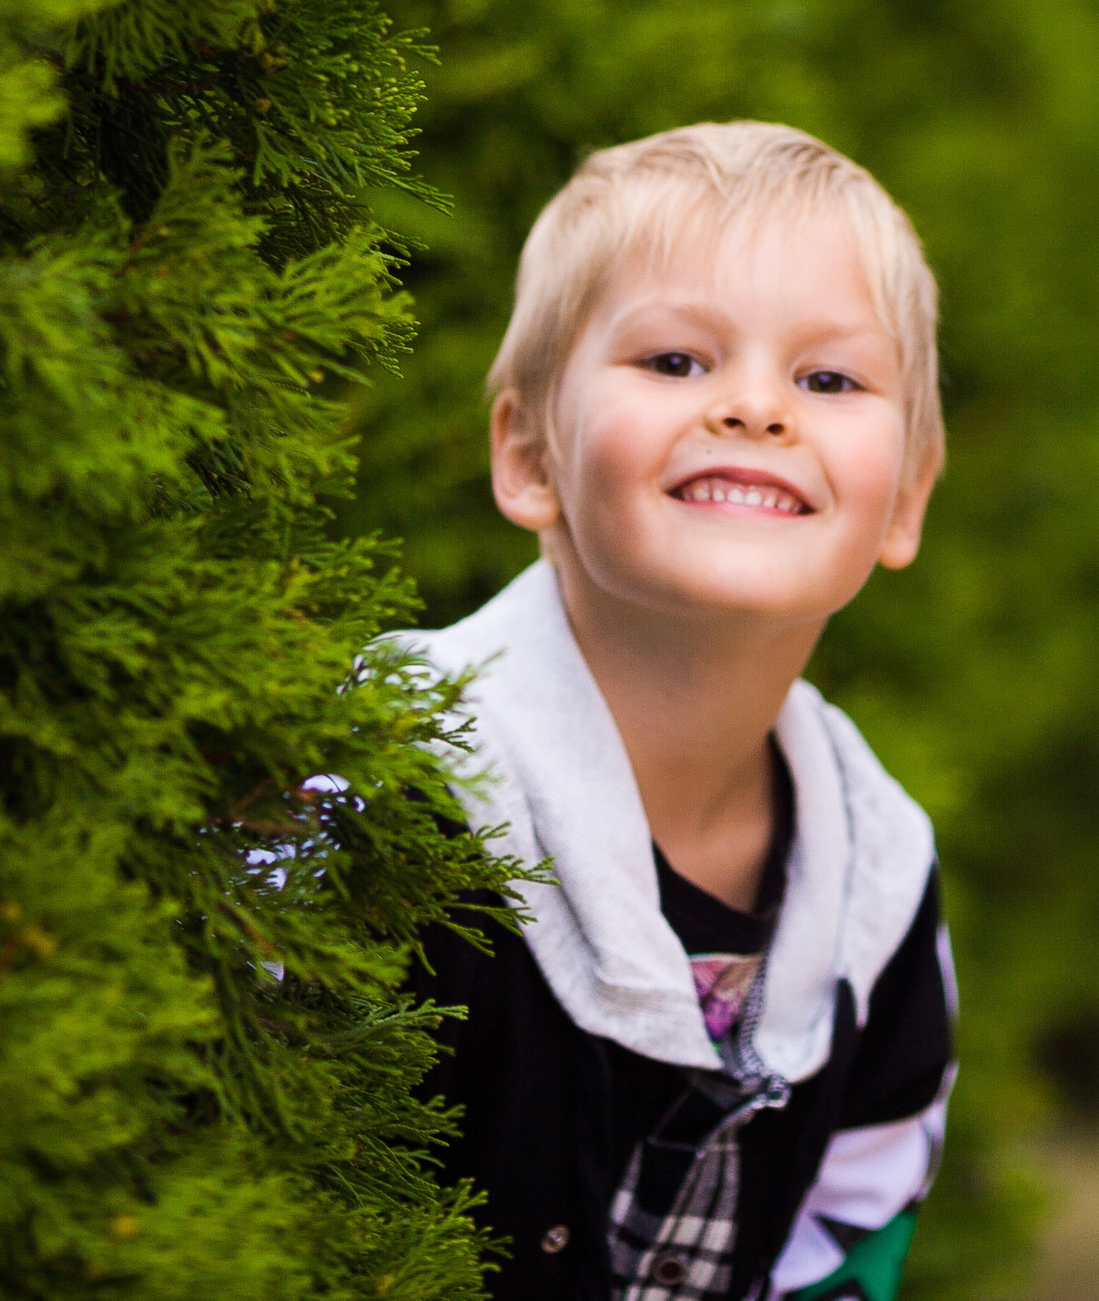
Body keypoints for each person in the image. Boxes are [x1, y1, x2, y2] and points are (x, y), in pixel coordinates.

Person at [390, 122, 956, 1301]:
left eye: (828, 379)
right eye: (677, 363)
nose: (756, 408)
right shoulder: (393, 778)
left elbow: (855, 1220)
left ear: (904, 498)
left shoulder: (878, 873)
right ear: (529, 455)